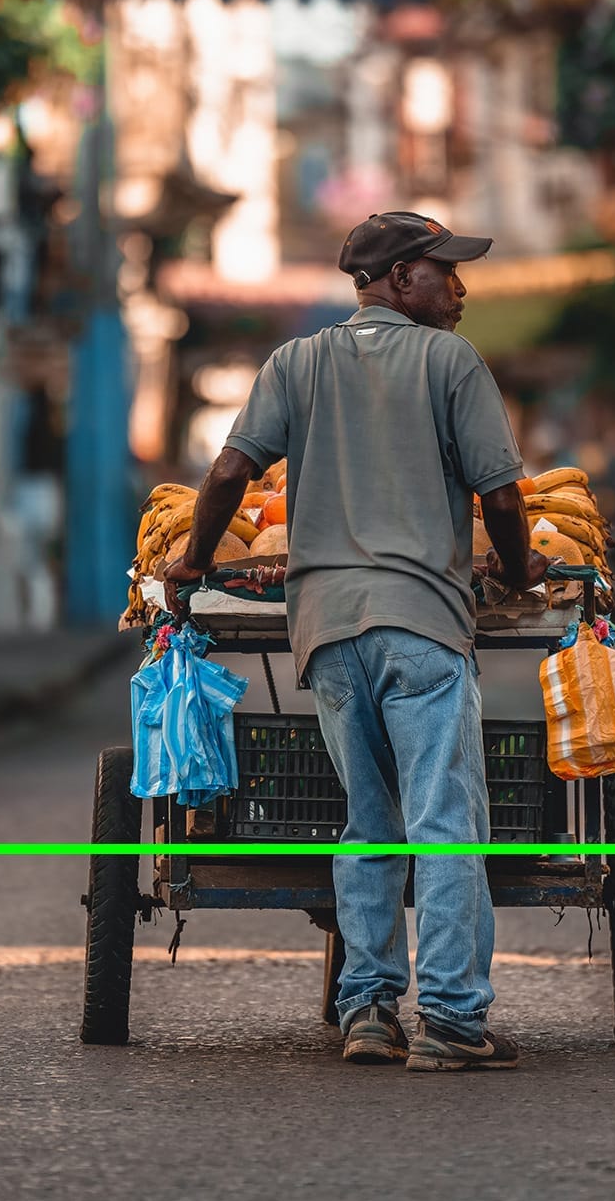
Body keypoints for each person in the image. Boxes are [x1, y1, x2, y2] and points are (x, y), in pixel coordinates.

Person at [164, 211, 549, 1070]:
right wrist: (520, 575)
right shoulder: (451, 362)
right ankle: (450, 1019)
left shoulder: (294, 363)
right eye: (443, 271)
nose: (459, 288)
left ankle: (369, 1010)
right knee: (445, 820)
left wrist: (193, 562)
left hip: (328, 634)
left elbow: (230, 470)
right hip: (421, 624)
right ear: (399, 278)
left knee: (369, 818)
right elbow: (505, 495)